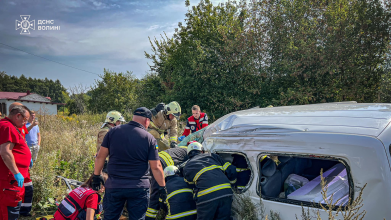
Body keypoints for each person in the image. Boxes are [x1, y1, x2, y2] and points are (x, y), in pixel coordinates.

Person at [92, 107, 166, 220]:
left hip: (114, 186)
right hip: (138, 188)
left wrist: (97, 176)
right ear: (147, 120)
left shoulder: (112, 132)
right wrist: (162, 187)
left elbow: (100, 157)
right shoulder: (149, 138)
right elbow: (156, 167)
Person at [183, 142, 237, 220]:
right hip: (225, 192)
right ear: (202, 151)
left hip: (206, 196)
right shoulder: (212, 156)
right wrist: (232, 185)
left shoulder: (187, 166)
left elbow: (190, 185)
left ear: (189, 154)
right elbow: (231, 170)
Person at [0, 105, 32, 220]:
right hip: (9, 180)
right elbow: (5, 152)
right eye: (25, 120)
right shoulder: (7, 127)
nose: (25, 123)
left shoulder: (11, 126)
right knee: (9, 212)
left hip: (12, 180)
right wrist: (16, 172)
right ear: (18, 116)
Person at [146, 147, 188, 219]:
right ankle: (149, 217)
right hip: (163, 165)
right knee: (158, 193)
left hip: (155, 160)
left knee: (155, 189)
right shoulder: (191, 156)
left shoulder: (183, 149)